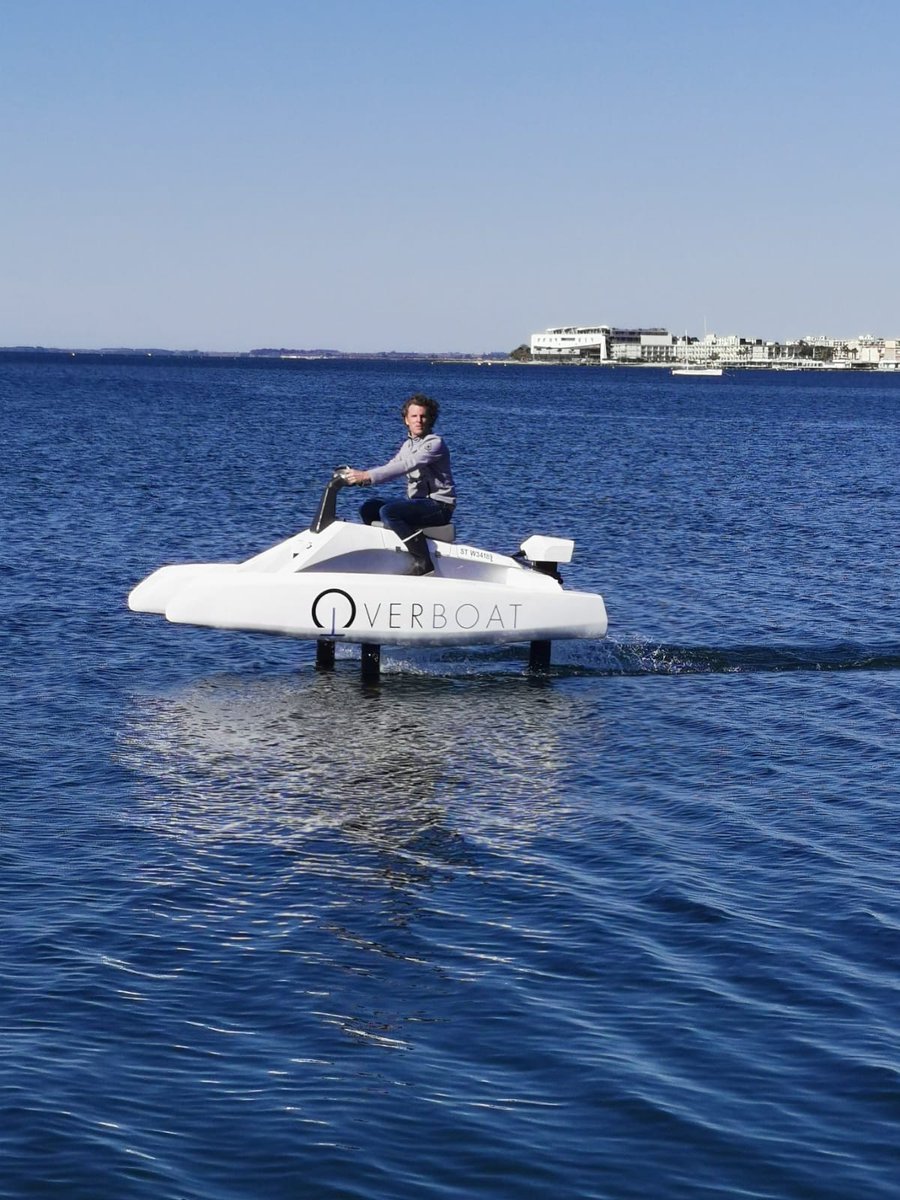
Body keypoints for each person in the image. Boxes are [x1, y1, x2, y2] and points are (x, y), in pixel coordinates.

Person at [343, 393, 456, 576]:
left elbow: (407, 465)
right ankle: (383, 552)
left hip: (439, 506)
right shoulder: (408, 446)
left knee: (389, 512)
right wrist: (359, 480)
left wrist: (367, 476)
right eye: (414, 416)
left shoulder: (434, 444)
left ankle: (423, 562)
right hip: (419, 503)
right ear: (406, 420)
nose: (418, 420)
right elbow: (392, 466)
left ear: (430, 419)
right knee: (369, 507)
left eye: (423, 416)